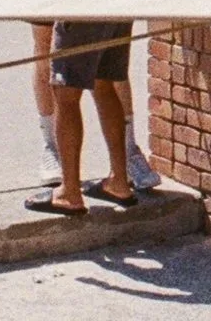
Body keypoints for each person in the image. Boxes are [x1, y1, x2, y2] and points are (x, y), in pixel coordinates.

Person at [25, 19, 159, 214]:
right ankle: (119, 182)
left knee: (65, 94)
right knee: (104, 84)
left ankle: (68, 193)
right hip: (114, 9)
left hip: (80, 10)